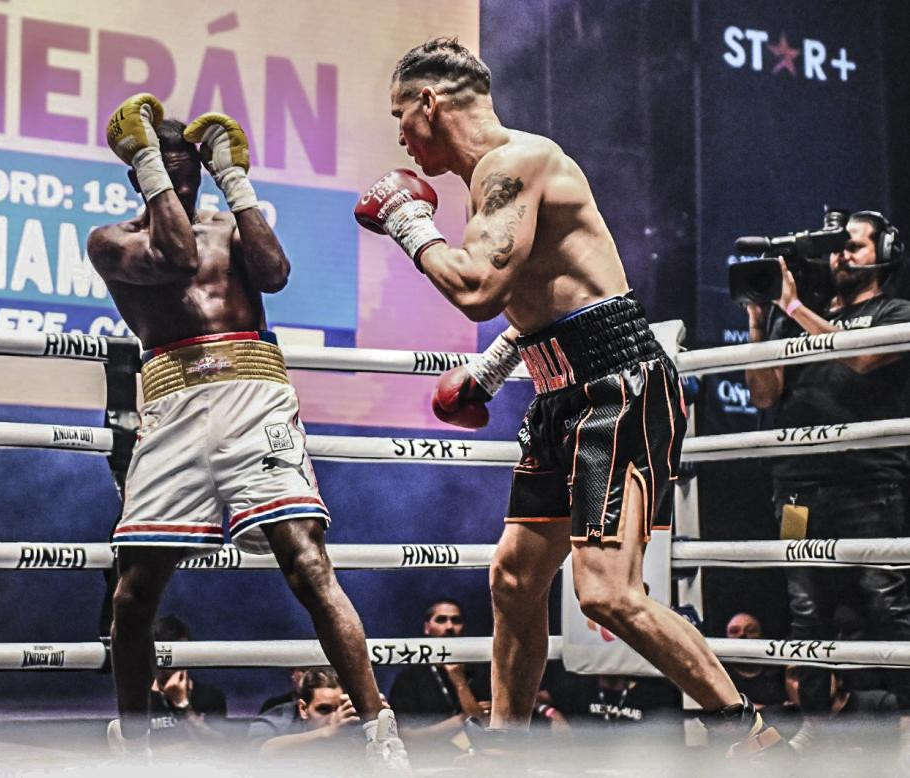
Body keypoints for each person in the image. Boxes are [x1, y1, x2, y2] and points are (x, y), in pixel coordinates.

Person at [354, 38, 778, 755]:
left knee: (607, 593)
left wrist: (407, 220)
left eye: (402, 115)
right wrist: (490, 371)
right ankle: (504, 750)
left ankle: (749, 730)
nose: (399, 135)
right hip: (561, 395)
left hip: (614, 390)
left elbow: (477, 289)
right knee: (516, 578)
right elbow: (548, 299)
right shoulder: (492, 178)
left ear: (431, 101)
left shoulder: (517, 163)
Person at [89, 93, 407, 768]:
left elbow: (276, 272)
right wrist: (151, 161)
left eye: (188, 173)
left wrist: (236, 182)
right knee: (135, 590)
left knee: (308, 562)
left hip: (253, 393)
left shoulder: (228, 228)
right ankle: (134, 744)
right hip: (173, 403)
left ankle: (380, 731)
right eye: (164, 171)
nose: (180, 183)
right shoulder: (110, 241)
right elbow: (172, 257)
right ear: (137, 171)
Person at [744, 210, 910, 717]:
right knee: (806, 615)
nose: (842, 254)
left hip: (870, 485)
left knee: (888, 602)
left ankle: (906, 720)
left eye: (854, 245)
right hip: (797, 490)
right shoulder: (798, 313)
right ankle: (815, 734)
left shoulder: (895, 311)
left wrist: (792, 306)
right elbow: (764, 395)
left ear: (884, 253)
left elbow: (860, 358)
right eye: (837, 246)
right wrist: (758, 322)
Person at [388, 599, 491, 742]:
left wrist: (460, 682)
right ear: (427, 627)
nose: (449, 626)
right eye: (441, 620)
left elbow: (487, 726)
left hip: (476, 759)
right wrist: (462, 718)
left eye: (456, 620)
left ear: (463, 627)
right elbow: (405, 737)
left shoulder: (482, 673)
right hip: (430, 761)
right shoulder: (408, 679)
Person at [144, 616, 226, 751]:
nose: (177, 662)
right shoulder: (142, 701)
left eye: (182, 653)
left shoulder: (211, 696)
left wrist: (184, 706)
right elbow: (140, 755)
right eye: (170, 655)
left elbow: (220, 748)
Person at [247, 667, 365, 759]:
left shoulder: (353, 718)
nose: (335, 717)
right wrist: (327, 732)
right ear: (303, 709)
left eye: (339, 708)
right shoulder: (278, 719)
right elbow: (260, 750)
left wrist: (377, 716)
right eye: (324, 709)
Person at [723, 612, 786, 707]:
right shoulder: (722, 674)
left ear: (762, 636)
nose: (742, 634)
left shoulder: (778, 672)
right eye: (734, 631)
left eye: (751, 630)